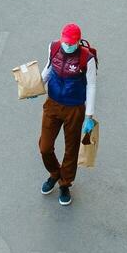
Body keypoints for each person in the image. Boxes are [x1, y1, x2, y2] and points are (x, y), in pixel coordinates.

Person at [37, 22, 97, 206]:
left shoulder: (87, 58)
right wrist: (36, 85)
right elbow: (49, 68)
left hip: (74, 109)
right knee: (45, 146)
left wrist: (89, 116)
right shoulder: (54, 47)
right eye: (65, 42)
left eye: (71, 43)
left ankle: (65, 183)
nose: (67, 45)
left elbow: (92, 86)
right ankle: (55, 173)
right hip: (53, 104)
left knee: (71, 149)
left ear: (78, 41)